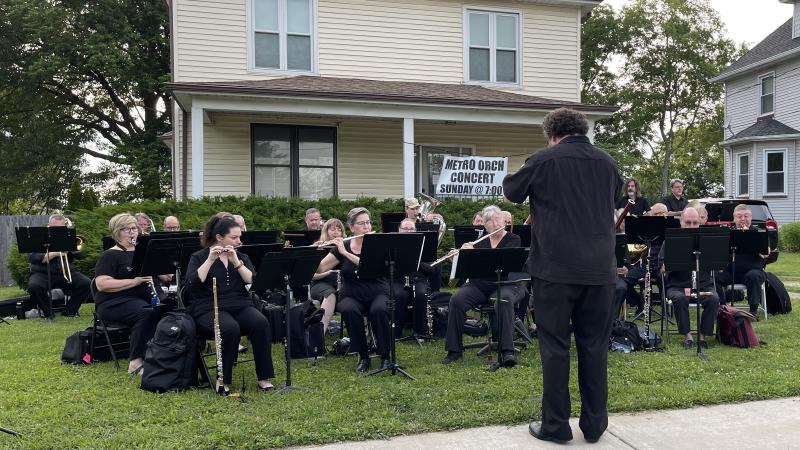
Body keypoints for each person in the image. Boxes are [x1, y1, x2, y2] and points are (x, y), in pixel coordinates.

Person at [503, 107, 622, 444]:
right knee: (595, 346)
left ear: (551, 134)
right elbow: (611, 201)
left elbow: (509, 194)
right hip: (600, 270)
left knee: (555, 348)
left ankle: (556, 426)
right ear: (581, 131)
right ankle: (595, 425)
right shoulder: (607, 162)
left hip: (555, 270)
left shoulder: (544, 159)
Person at [185, 215, 274, 392]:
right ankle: (223, 380)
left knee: (261, 323)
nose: (239, 241)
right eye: (234, 238)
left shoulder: (241, 256)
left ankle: (264, 377)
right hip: (208, 307)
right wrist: (210, 260)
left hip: (240, 304)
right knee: (229, 328)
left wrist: (236, 262)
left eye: (239, 237)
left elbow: (253, 283)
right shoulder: (199, 257)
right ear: (219, 237)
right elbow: (192, 284)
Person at [441, 205, 523, 367]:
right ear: (485, 225)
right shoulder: (479, 242)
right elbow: (467, 271)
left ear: (503, 220)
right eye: (490, 221)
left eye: (498, 219)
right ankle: (454, 350)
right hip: (479, 285)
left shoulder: (514, 239)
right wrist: (461, 257)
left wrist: (475, 253)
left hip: (506, 284)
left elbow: (505, 263)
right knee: (456, 300)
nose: (496, 223)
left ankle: (507, 351)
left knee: (503, 300)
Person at [315, 207, 391, 373]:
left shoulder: (377, 243)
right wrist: (316, 252)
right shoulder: (345, 245)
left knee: (379, 310)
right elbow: (320, 269)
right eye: (362, 223)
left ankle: (385, 355)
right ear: (352, 227)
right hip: (352, 293)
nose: (367, 227)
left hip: (377, 290)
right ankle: (363, 356)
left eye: (368, 222)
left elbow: (369, 266)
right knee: (349, 309)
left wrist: (345, 253)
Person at [94, 213, 160, 375]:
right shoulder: (110, 255)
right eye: (127, 230)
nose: (132, 233)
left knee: (171, 308)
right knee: (146, 312)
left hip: (140, 299)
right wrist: (135, 282)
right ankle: (135, 361)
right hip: (113, 302)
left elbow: (163, 275)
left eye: (134, 228)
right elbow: (102, 284)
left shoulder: (142, 251)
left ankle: (164, 354)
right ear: (117, 232)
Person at [662, 207, 720, 348]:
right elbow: (661, 268)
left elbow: (718, 263)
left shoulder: (708, 241)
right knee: (680, 298)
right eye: (688, 222)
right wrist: (666, 267)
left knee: (714, 298)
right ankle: (687, 335)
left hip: (703, 284)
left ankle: (702, 336)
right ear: (681, 222)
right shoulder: (670, 241)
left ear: (700, 223)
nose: (691, 226)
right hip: (678, 285)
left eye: (695, 222)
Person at [26, 214, 91, 319]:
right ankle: (48, 313)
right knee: (34, 287)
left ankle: (69, 312)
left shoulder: (68, 237)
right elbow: (35, 258)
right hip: (42, 273)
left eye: (61, 228)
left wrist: (72, 248)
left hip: (65, 271)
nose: (57, 230)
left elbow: (81, 256)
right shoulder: (38, 237)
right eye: (54, 228)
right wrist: (57, 252)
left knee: (86, 284)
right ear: (48, 225)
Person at [715, 204, 768, 315]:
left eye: (746, 216)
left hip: (753, 271)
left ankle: (753, 310)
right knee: (714, 277)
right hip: (731, 273)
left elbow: (766, 252)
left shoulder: (759, 233)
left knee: (754, 276)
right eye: (739, 216)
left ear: (751, 217)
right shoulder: (727, 234)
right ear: (734, 218)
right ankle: (722, 307)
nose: (743, 219)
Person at [393, 218, 440, 339]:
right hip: (398, 280)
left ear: (416, 230)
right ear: (399, 230)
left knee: (421, 294)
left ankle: (420, 332)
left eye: (411, 229)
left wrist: (416, 262)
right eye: (405, 229)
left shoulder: (424, 245)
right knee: (398, 295)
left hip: (419, 279)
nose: (409, 231)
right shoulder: (392, 244)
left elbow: (431, 269)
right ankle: (396, 332)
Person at [309, 218, 347, 333]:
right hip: (321, 283)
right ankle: (320, 334)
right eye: (332, 229)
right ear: (326, 231)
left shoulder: (347, 247)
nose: (336, 232)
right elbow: (310, 276)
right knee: (330, 295)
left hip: (343, 283)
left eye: (339, 229)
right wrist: (327, 272)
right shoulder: (319, 247)